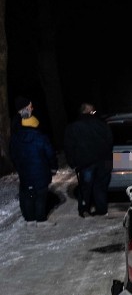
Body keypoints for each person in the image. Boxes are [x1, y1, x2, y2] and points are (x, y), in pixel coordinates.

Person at [8, 96, 59, 225]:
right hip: (40, 169)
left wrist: (18, 165)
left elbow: (12, 153)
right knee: (40, 193)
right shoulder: (39, 136)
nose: (32, 108)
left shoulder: (15, 135)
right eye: (30, 106)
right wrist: (53, 167)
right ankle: (40, 219)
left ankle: (30, 219)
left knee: (28, 193)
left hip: (24, 169)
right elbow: (49, 153)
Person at [64, 102, 113, 217]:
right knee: (101, 186)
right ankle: (101, 209)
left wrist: (72, 162)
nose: (93, 113)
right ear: (87, 111)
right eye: (92, 111)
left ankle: (84, 209)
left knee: (86, 187)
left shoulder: (73, 127)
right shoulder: (102, 124)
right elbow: (110, 141)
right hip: (105, 160)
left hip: (86, 162)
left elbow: (69, 146)